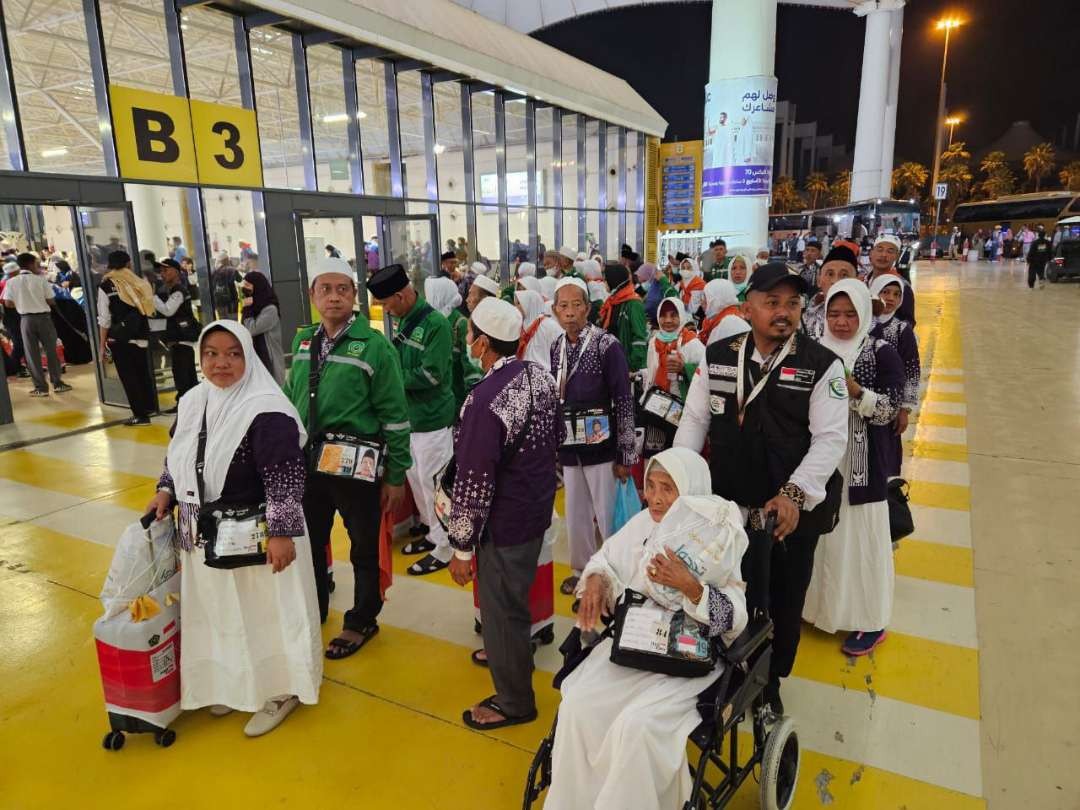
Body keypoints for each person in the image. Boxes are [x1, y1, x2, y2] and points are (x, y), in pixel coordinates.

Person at [674, 263, 848, 714]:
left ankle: (771, 686)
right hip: (728, 509)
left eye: (792, 303)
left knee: (785, 604)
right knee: (731, 592)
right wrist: (679, 481)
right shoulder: (718, 356)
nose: (783, 312)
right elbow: (695, 421)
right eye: (772, 302)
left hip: (789, 516)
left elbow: (831, 439)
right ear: (748, 306)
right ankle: (728, 674)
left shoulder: (822, 365)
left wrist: (794, 494)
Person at [546, 448, 748, 810]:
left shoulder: (715, 538)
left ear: (689, 492)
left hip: (685, 657)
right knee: (577, 702)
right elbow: (605, 560)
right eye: (651, 486)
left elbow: (735, 617)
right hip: (636, 641)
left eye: (667, 489)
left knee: (636, 726)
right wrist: (595, 582)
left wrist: (692, 588)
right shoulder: (644, 525)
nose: (655, 497)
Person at [147, 321, 321, 736]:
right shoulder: (193, 400)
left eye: (233, 353)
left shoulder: (267, 408)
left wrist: (281, 533)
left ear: (249, 356)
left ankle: (282, 688)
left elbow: (285, 476)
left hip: (257, 535)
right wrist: (165, 490)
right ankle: (233, 680)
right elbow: (178, 453)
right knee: (219, 610)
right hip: (203, 532)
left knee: (268, 611)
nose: (221, 362)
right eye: (211, 353)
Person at [284, 256, 411, 658]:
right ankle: (313, 606)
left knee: (363, 547)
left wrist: (395, 475)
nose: (334, 297)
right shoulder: (304, 341)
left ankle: (361, 619)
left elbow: (395, 414)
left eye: (342, 289)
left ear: (354, 295)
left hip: (358, 465)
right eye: (326, 289)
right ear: (313, 294)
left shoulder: (375, 346)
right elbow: (291, 399)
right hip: (309, 464)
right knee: (311, 543)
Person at [445, 298, 561, 730]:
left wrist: (460, 548)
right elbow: (556, 439)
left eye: (470, 335)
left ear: (481, 344)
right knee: (514, 598)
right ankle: (510, 655)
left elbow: (474, 482)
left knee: (501, 610)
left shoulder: (486, 400)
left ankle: (514, 701)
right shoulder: (540, 378)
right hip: (534, 511)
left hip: (504, 523)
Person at [802, 280, 903, 656]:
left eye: (849, 314)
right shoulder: (812, 349)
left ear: (863, 313)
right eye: (833, 314)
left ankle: (870, 620)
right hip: (818, 459)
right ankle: (817, 609)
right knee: (819, 537)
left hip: (860, 465)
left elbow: (890, 410)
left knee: (860, 540)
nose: (841, 322)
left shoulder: (880, 352)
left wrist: (856, 391)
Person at [550, 278, 638, 598]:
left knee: (607, 515)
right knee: (576, 517)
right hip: (572, 446)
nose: (570, 312)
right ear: (554, 310)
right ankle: (582, 572)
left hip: (602, 447)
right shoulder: (556, 346)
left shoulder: (606, 344)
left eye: (576, 305)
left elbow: (624, 399)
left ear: (588, 308)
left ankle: (612, 575)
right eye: (563, 306)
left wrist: (626, 454)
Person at [369, 264, 456, 576]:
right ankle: (434, 535)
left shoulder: (435, 324)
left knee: (436, 487)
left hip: (432, 422)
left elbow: (433, 374)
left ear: (401, 295)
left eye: (387, 304)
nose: (386, 311)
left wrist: (389, 379)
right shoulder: (404, 320)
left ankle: (447, 549)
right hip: (409, 422)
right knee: (418, 484)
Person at [98, 251, 157, 425]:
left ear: (109, 265)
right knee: (142, 373)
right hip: (141, 335)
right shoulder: (139, 283)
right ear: (129, 264)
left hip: (121, 339)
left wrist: (102, 345)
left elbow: (104, 318)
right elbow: (148, 308)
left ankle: (140, 415)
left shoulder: (106, 286)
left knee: (129, 377)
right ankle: (149, 407)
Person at [869, 274, 921, 473]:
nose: (890, 298)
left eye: (896, 294)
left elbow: (912, 370)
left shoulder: (902, 330)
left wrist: (905, 409)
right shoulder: (861, 323)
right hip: (860, 400)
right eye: (885, 292)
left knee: (884, 457)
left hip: (890, 404)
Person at [1, 252, 71, 397]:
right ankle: (57, 383)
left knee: (31, 354)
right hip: (44, 318)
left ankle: (41, 388)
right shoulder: (40, 280)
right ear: (31, 264)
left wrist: (21, 304)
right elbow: (51, 300)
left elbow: (7, 303)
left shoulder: (11, 282)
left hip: (25, 320)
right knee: (51, 350)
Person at [425, 276, 480, 411]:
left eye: (430, 295)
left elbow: (471, 366)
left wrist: (470, 404)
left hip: (456, 400)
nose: (427, 300)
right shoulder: (430, 321)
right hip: (435, 400)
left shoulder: (459, 324)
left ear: (439, 296)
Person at [152, 258, 199, 405]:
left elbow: (168, 310)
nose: (162, 274)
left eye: (166, 270)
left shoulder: (178, 290)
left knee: (182, 375)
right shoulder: (171, 290)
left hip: (181, 340)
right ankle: (190, 404)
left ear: (176, 272)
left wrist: (151, 297)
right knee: (186, 374)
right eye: (161, 271)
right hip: (178, 339)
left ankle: (184, 404)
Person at [647, 297, 704, 399]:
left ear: (681, 316)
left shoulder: (691, 342)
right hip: (657, 400)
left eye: (673, 316)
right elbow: (652, 370)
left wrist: (684, 368)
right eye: (663, 316)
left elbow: (707, 370)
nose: (668, 320)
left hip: (684, 403)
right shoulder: (654, 342)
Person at [597, 263, 648, 373]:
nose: (604, 282)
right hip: (612, 362)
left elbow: (639, 337)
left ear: (614, 280)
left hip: (626, 367)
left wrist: (630, 366)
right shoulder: (613, 301)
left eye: (606, 279)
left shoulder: (633, 304)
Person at [803, 244, 860, 339]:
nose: (835, 281)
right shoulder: (804, 319)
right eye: (830, 274)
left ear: (857, 281)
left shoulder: (869, 323)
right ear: (818, 280)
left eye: (844, 275)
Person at [240, 272, 286, 385]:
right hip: (255, 356)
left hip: (269, 359)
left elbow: (251, 329)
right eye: (244, 285)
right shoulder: (254, 307)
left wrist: (247, 309)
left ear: (258, 286)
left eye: (248, 285)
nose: (244, 289)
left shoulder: (270, 309)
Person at [866, 235, 916, 326]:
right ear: (871, 253)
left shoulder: (903, 287)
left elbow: (908, 322)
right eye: (880, 249)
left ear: (897, 257)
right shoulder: (863, 281)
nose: (884, 255)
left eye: (890, 251)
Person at [514, 289, 562, 372]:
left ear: (529, 304)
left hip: (546, 375)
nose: (516, 307)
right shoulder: (520, 326)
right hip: (525, 373)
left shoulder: (549, 326)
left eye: (519, 304)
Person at [698, 279, 741, 345]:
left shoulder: (731, 324)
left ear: (717, 300)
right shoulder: (713, 318)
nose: (701, 302)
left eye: (705, 297)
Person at [211, 254, 241, 321]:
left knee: (223, 321)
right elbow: (240, 279)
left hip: (219, 301)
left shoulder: (213, 271)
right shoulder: (231, 269)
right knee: (233, 322)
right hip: (231, 300)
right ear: (227, 260)